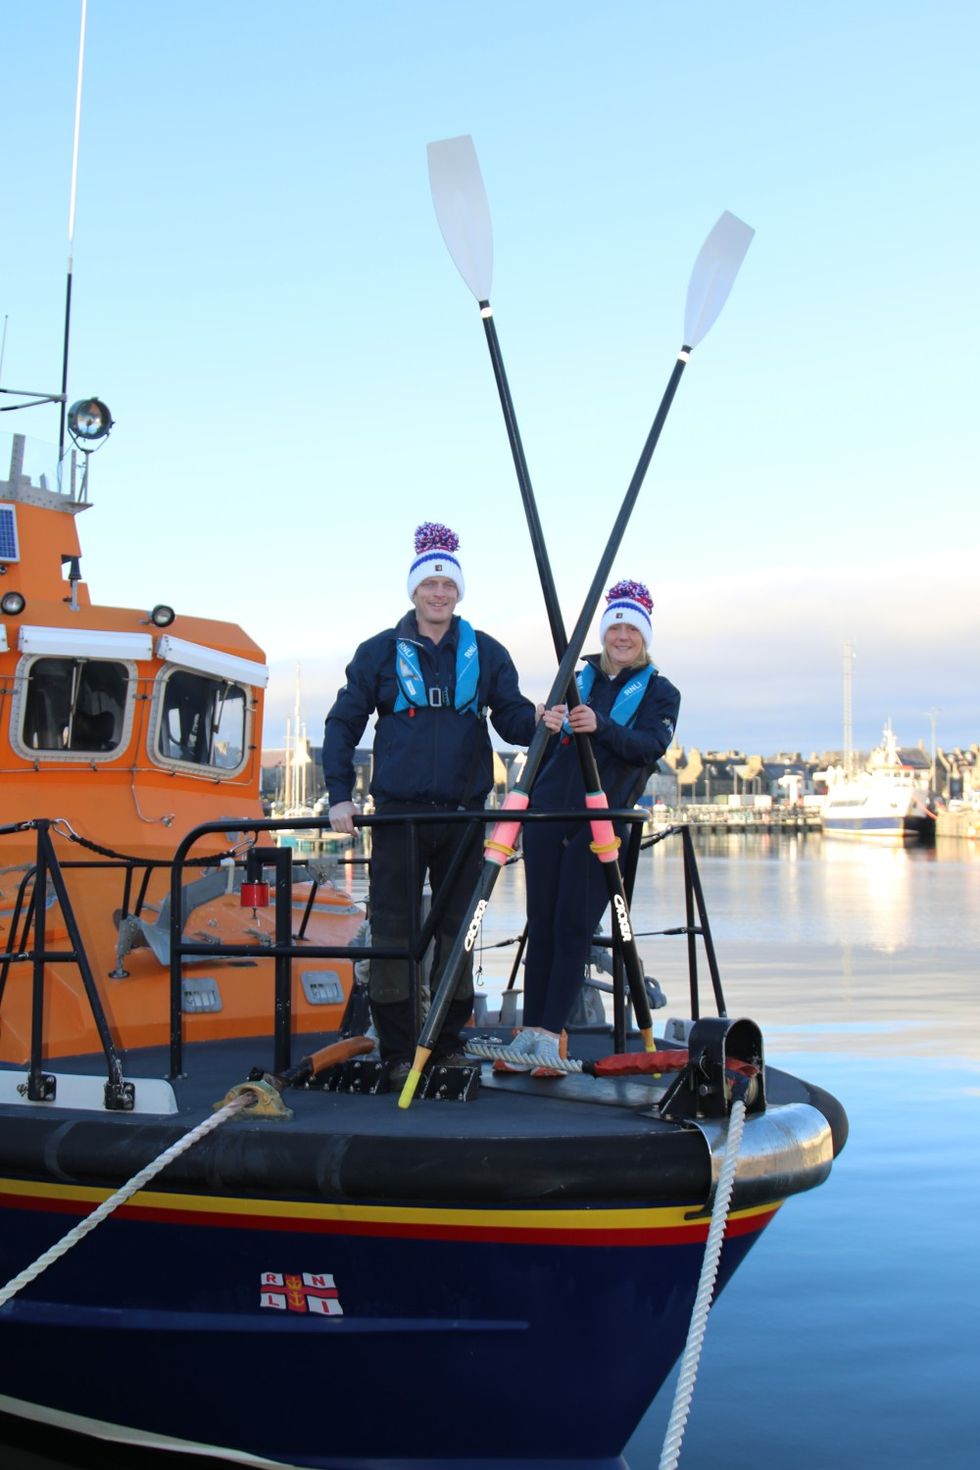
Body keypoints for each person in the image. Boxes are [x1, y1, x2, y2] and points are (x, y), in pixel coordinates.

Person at [322, 522, 540, 1084]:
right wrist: (339, 796)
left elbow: (514, 721)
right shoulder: (378, 653)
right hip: (400, 816)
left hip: (466, 817)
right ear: (414, 591)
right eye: (429, 584)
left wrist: (541, 719)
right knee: (394, 929)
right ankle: (397, 1048)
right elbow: (343, 724)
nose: (438, 593)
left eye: (448, 584)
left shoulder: (487, 653)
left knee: (458, 928)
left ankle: (445, 1042)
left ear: (458, 592)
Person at [500, 578, 681, 1076]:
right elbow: (542, 738)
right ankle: (532, 1031)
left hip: (601, 823)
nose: (622, 636)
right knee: (542, 925)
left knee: (573, 926)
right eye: (615, 626)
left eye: (632, 629)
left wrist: (600, 726)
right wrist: (550, 722)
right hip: (548, 814)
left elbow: (649, 749)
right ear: (604, 632)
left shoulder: (663, 694)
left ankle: (550, 1034)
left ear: (644, 636)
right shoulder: (574, 677)